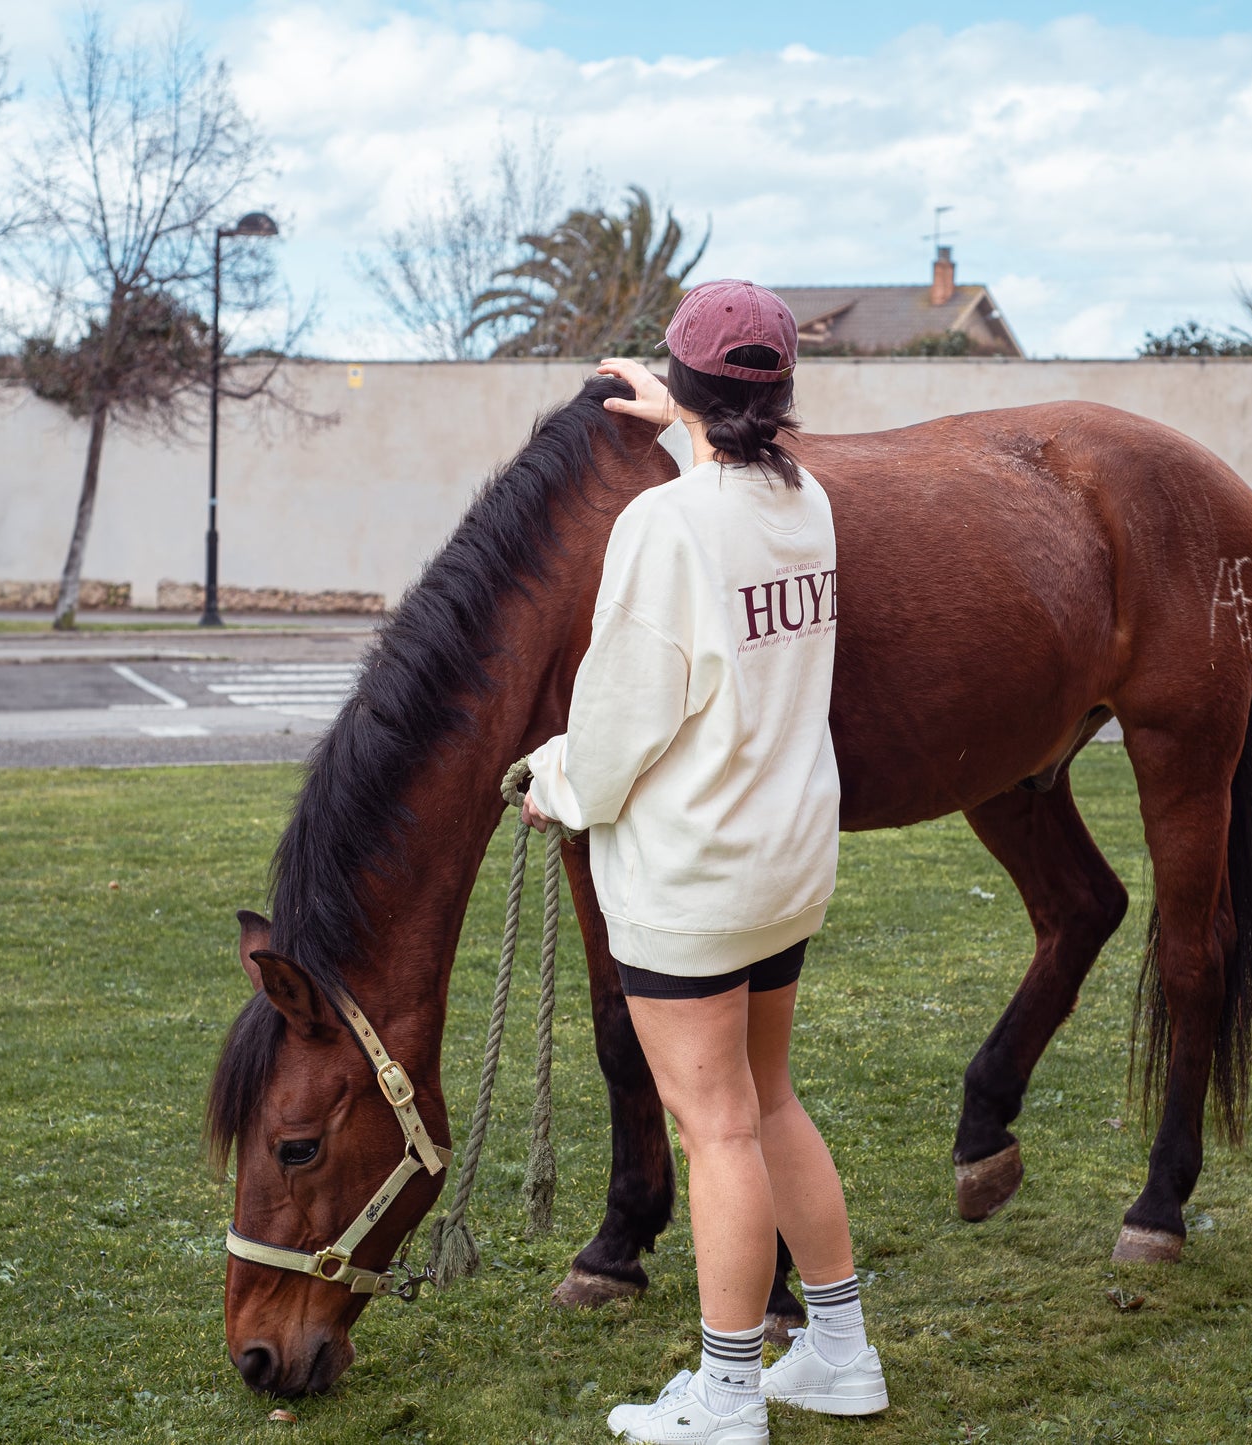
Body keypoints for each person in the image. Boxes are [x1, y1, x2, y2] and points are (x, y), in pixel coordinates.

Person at [522, 279, 887, 1445]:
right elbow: (733, 472)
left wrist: (556, 781)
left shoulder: (661, 528)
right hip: (784, 863)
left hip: (693, 880)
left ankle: (727, 1395)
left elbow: (624, 722)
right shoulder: (809, 503)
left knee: (716, 1125)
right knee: (769, 1098)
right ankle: (838, 1353)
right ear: (779, 392)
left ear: (679, 384)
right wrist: (684, 418)